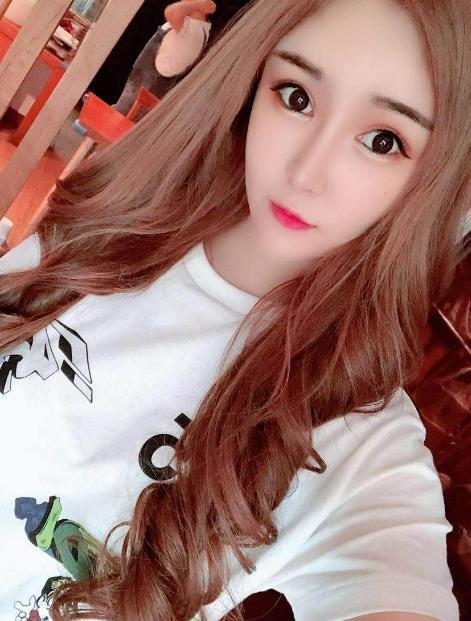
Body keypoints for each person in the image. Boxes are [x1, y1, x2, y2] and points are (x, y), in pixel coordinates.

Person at [0, 0, 469, 620]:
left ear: (433, 178)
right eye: (297, 97)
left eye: (382, 141)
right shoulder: (116, 218)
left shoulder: (354, 441)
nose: (306, 173)